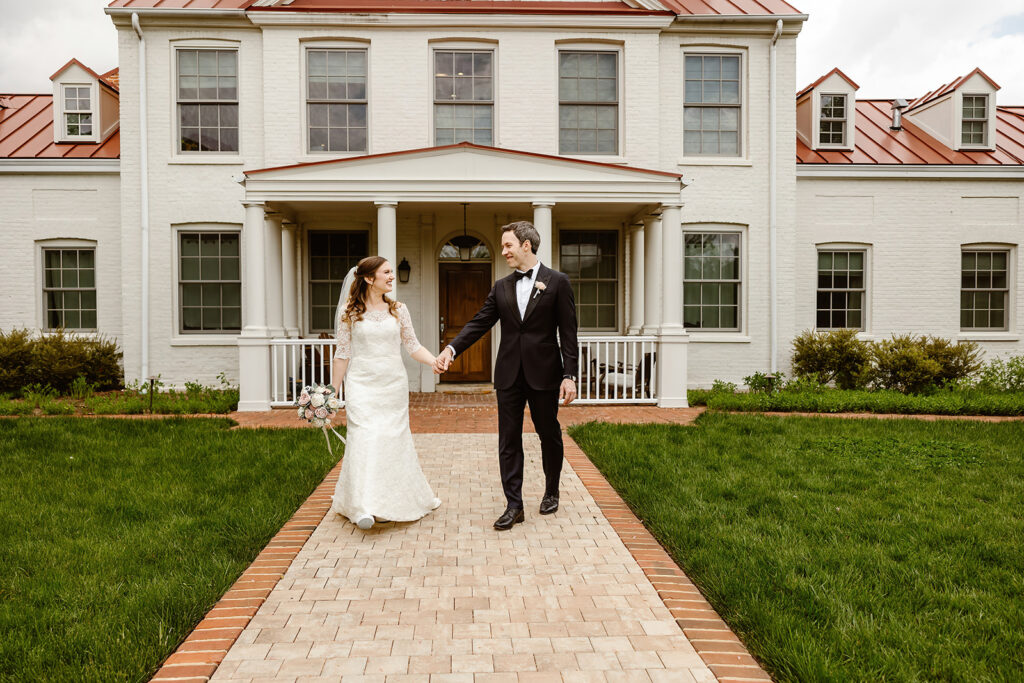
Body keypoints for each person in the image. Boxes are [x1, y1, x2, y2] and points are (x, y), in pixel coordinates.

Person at [434, 221, 578, 530]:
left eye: (508, 245)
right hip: (509, 374)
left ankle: (551, 490)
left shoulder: (558, 282)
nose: (504, 251)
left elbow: (569, 335)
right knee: (508, 440)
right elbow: (479, 322)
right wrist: (452, 349)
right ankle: (514, 505)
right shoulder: (501, 286)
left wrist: (569, 375)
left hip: (545, 374)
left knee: (548, 433)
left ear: (526, 245)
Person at [330, 256, 441, 530]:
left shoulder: (399, 310)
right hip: (361, 384)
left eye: (392, 272)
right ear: (369, 278)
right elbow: (342, 354)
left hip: (392, 385)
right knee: (365, 438)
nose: (392, 277)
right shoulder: (349, 312)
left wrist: (433, 361)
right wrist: (332, 393)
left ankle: (391, 500)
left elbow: (412, 345)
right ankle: (364, 506)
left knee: (391, 440)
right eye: (386, 272)